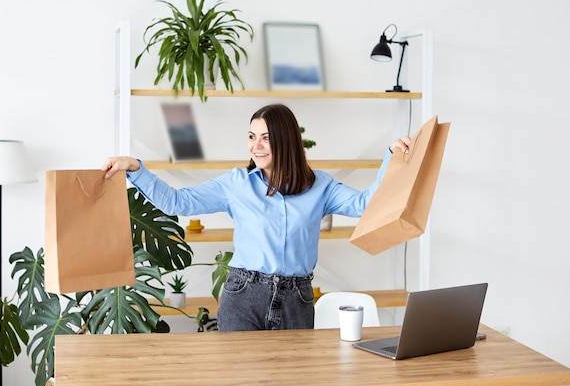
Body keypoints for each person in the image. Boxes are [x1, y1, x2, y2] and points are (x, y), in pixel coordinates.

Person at [102, 103, 410, 331]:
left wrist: (391, 157)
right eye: (251, 137)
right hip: (244, 295)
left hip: (297, 299)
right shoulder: (237, 184)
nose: (255, 146)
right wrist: (136, 170)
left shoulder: (321, 186)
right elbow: (178, 202)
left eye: (265, 138)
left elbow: (364, 205)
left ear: (286, 140)